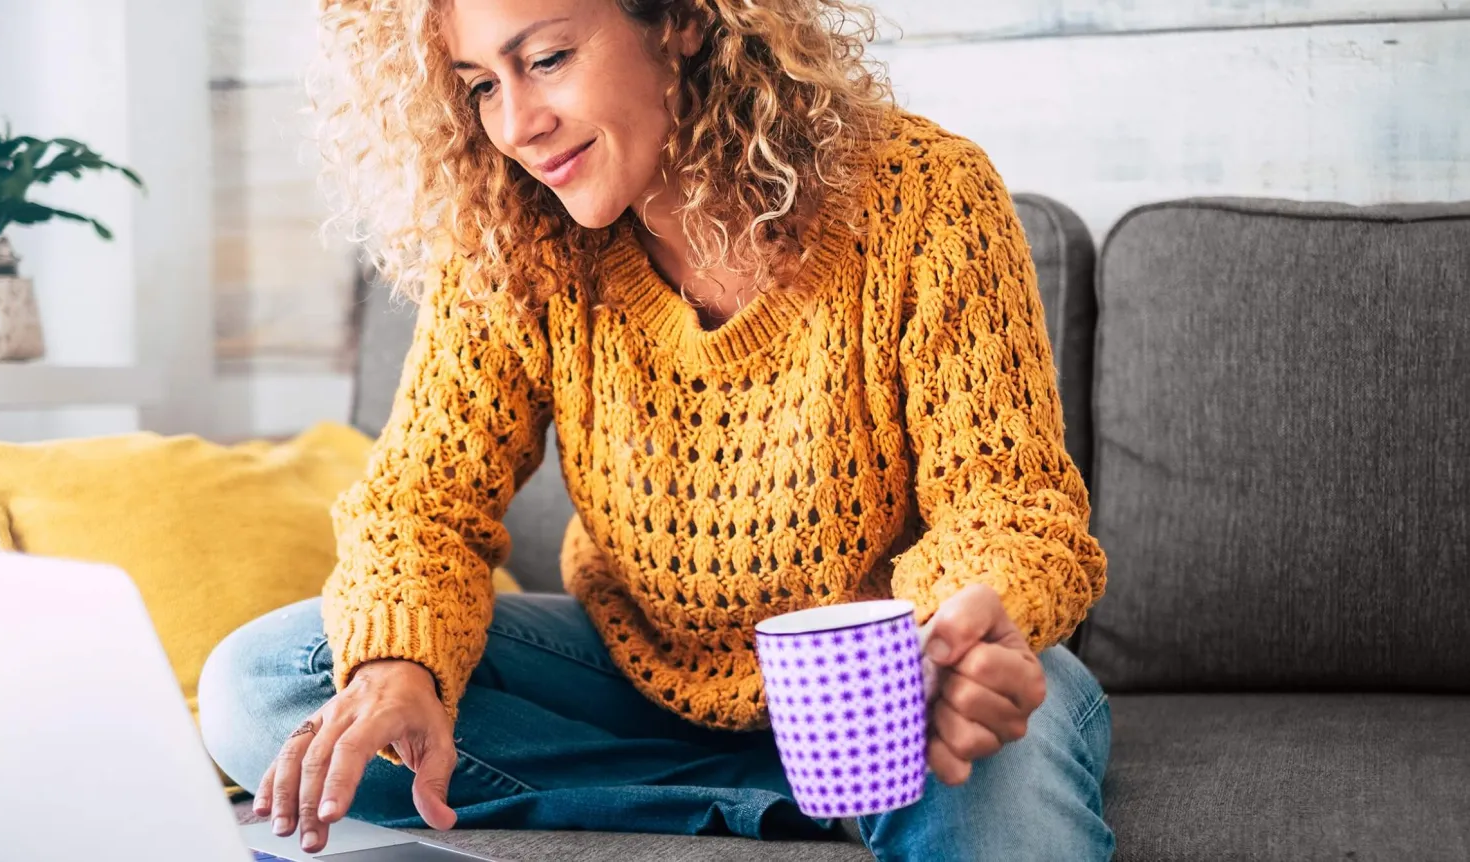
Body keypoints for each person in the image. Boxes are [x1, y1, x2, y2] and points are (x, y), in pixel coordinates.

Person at [198, 0, 1114, 859]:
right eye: (480, 85)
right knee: (264, 682)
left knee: (993, 747)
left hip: (886, 683)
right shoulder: (517, 240)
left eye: (547, 59)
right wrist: (401, 665)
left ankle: (837, 777)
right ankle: (797, 797)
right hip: (638, 678)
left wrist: (948, 641)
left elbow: (1008, 508)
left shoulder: (924, 196)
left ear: (679, 21)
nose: (516, 125)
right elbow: (421, 502)